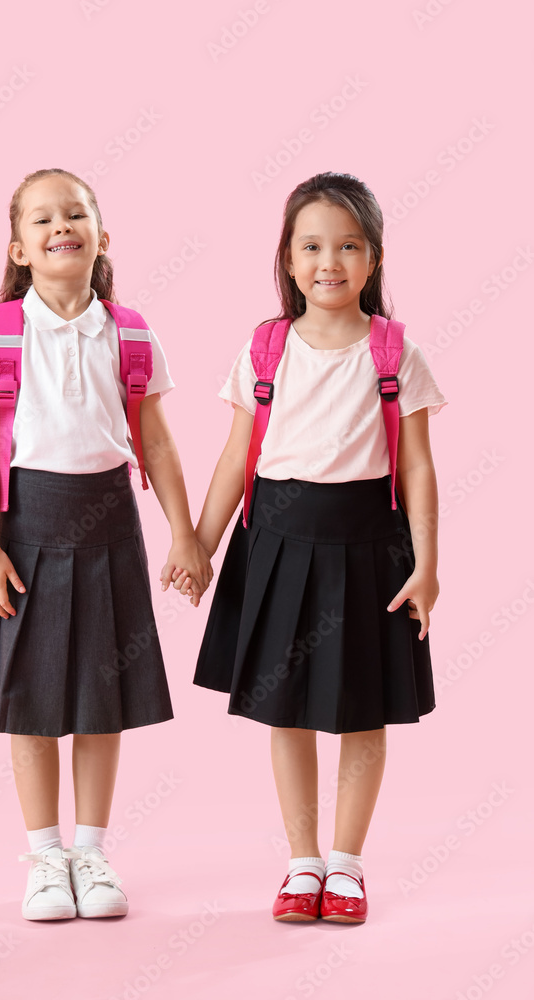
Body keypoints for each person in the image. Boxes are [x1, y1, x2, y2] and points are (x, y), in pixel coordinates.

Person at [189, 171, 448, 923]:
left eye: (347, 245)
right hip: (275, 540)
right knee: (287, 712)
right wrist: (200, 547)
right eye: (311, 245)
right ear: (287, 257)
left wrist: (428, 568)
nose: (328, 260)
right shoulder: (264, 347)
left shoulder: (395, 352)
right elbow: (237, 455)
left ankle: (347, 866)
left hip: (369, 545)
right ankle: (302, 865)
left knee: (363, 713)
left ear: (372, 260)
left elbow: (419, 467)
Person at [0, 167, 211, 921]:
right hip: (26, 527)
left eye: (76, 212)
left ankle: (91, 853)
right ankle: (44, 856)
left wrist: (185, 535)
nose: (60, 224)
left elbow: (155, 444)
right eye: (42, 219)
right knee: (29, 703)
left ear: (102, 237)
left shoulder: (130, 333)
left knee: (102, 698)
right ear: (19, 248)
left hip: (110, 527)